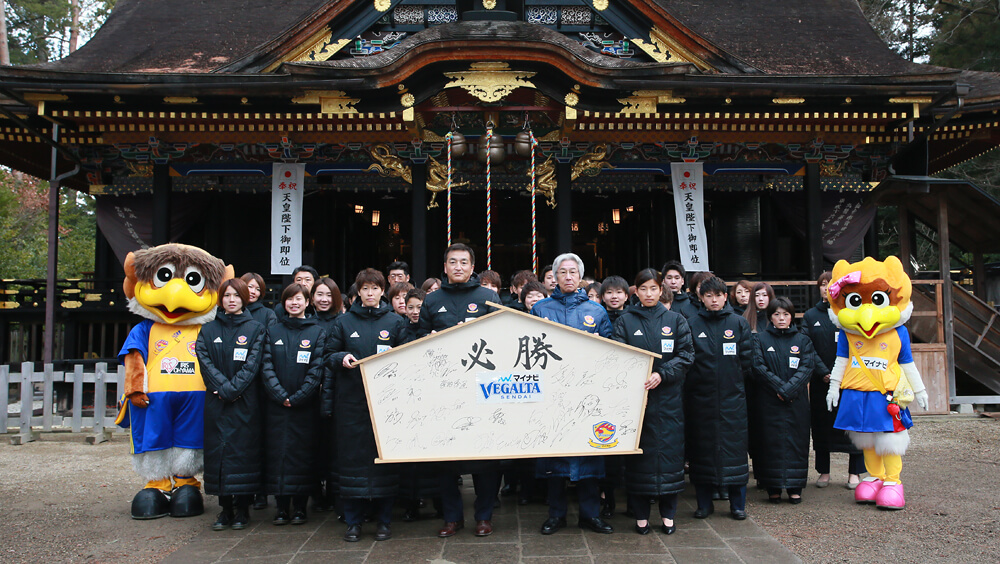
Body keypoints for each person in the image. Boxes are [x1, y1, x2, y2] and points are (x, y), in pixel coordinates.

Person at [418, 243, 502, 538]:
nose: (457, 267)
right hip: (444, 390)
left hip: (481, 388)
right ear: (444, 267)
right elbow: (419, 339)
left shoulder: (488, 297)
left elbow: (501, 338)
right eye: (452, 262)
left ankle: (484, 515)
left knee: (485, 459)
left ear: (472, 267)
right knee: (446, 458)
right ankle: (452, 517)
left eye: (463, 262)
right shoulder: (432, 300)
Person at [324, 269, 411, 542]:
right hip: (351, 404)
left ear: (382, 291)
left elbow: (408, 356)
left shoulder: (395, 323)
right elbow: (327, 354)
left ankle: (384, 521)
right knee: (351, 463)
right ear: (358, 292)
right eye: (365, 289)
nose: (370, 293)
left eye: (375, 288)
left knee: (383, 461)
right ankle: (353, 521)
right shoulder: (343, 322)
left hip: (386, 404)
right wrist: (342, 358)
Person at [531, 253, 614, 535]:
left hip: (587, 394)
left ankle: (590, 514)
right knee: (555, 455)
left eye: (572, 272)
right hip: (552, 394)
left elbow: (609, 351)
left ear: (580, 277)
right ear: (554, 277)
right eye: (562, 272)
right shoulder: (541, 309)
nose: (568, 277)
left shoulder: (596, 311)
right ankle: (556, 514)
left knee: (589, 451)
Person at [612, 269, 694, 535]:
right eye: (643, 289)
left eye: (653, 288)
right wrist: (639, 375)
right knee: (640, 459)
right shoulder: (626, 320)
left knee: (670, 457)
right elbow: (617, 354)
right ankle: (641, 516)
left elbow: (687, 355)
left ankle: (668, 514)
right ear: (636, 291)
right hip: (637, 403)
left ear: (661, 290)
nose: (649, 294)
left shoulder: (676, 319)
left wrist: (663, 373)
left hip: (669, 401)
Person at [197, 278, 267, 531]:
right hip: (217, 402)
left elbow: (253, 364)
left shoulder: (255, 328)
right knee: (219, 455)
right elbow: (204, 361)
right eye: (226, 296)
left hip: (245, 402)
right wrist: (225, 389)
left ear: (244, 298)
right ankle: (224, 509)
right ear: (221, 299)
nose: (231, 300)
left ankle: (242, 509)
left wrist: (233, 389)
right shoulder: (208, 330)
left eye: (236, 295)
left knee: (243, 453)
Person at [684, 276, 753, 520]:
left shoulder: (738, 323)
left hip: (732, 399)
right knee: (702, 451)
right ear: (701, 297)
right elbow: (688, 361)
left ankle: (737, 505)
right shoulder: (692, 324)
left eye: (718, 295)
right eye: (709, 296)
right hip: (700, 401)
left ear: (726, 297)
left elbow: (747, 360)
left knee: (734, 451)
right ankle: (704, 503)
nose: (714, 300)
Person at [260, 283, 326, 526]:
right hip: (276, 408)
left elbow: (316, 369)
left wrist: (298, 397)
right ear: (283, 303)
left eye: (299, 299)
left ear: (308, 303)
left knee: (302, 456)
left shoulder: (317, 332)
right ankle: (280, 507)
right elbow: (266, 366)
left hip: (304, 407)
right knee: (278, 455)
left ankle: (299, 507)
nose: (294, 303)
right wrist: (280, 395)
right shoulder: (273, 331)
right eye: (290, 299)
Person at [751, 297, 815, 504]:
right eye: (777, 314)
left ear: (792, 316)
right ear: (770, 316)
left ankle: (795, 487)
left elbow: (807, 367)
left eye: (785, 314)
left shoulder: (803, 340)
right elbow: (758, 367)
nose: (781, 318)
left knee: (797, 442)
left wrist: (789, 389)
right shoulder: (760, 339)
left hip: (796, 402)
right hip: (769, 402)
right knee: (770, 443)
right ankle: (773, 486)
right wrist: (779, 387)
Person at [803, 272, 863, 489]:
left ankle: (854, 472)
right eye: (823, 284)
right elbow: (807, 347)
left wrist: (844, 374)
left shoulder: (852, 313)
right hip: (822, 381)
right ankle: (824, 471)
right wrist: (823, 372)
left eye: (831, 284)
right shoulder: (811, 316)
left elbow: (861, 346)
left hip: (850, 380)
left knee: (853, 426)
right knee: (821, 426)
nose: (826, 288)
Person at [310, 278, 344, 514]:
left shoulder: (343, 322)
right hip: (309, 390)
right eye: (319, 294)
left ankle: (334, 492)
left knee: (335, 444)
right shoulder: (306, 322)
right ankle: (314, 493)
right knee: (312, 444)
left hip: (336, 390)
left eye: (328, 295)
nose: (324, 299)